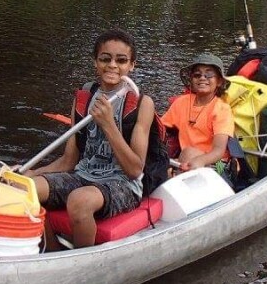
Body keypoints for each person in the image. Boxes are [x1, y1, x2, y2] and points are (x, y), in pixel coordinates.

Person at [23, 29, 155, 248]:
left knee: (79, 201)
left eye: (121, 60)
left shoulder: (142, 104)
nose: (112, 65)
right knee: (27, 190)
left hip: (123, 184)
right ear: (95, 62)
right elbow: (68, 161)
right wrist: (31, 173)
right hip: (83, 175)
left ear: (132, 65)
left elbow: (135, 170)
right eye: (105, 58)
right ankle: (52, 251)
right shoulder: (83, 99)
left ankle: (80, 260)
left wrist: (109, 125)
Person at [161, 53, 234, 172]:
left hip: (215, 164)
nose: (202, 78)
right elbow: (159, 128)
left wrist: (200, 160)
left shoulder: (222, 109)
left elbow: (219, 151)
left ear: (219, 81)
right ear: (192, 79)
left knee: (188, 153)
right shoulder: (181, 102)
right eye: (197, 74)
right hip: (185, 160)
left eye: (209, 74)